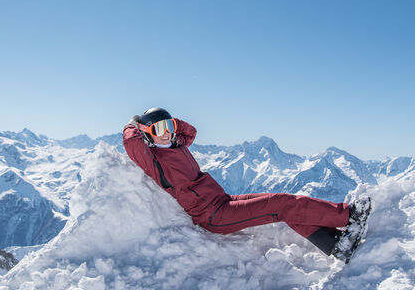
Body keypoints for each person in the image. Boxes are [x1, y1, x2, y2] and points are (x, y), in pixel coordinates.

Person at [123, 107, 371, 262]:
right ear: (147, 132)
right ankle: (349, 217)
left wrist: (170, 122)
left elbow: (191, 131)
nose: (166, 132)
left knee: (280, 201)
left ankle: (337, 245)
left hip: (222, 200)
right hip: (213, 216)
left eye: (169, 126)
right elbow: (131, 143)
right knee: (282, 204)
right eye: (158, 128)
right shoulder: (154, 159)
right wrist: (134, 123)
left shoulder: (177, 144)